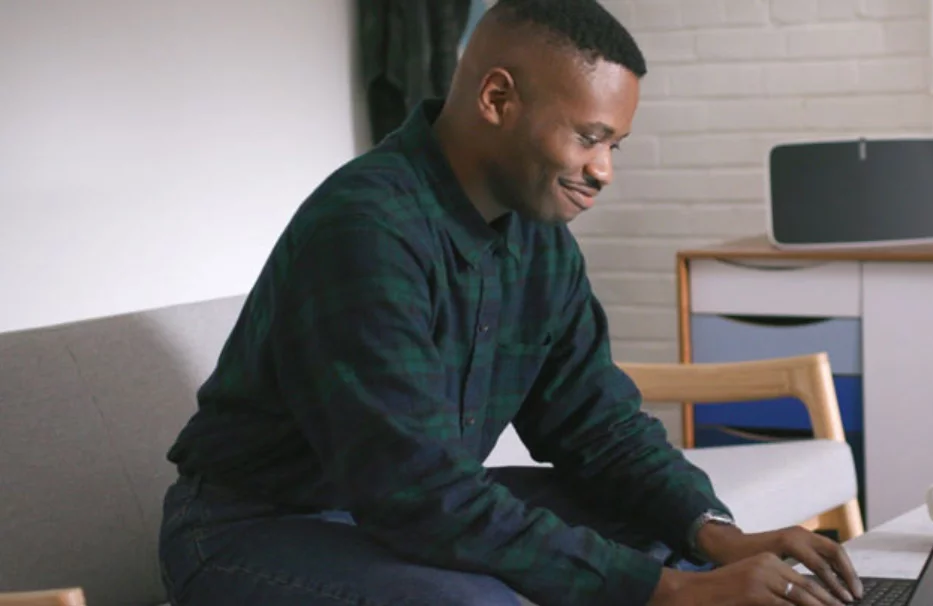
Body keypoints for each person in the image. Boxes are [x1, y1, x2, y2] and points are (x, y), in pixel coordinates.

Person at [157, 1, 865, 604]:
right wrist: (670, 591)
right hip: (252, 529)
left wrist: (722, 538)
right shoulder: (366, 229)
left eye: (615, 143)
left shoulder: (540, 235)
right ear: (497, 99)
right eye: (589, 138)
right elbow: (417, 493)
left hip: (397, 509)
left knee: (664, 533)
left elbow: (599, 426)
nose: (603, 171)